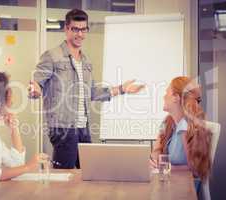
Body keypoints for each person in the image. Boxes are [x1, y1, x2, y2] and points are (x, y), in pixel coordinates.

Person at [29, 9, 144, 169]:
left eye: (83, 29)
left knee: (89, 173)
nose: (80, 34)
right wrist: (35, 89)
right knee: (65, 177)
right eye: (75, 29)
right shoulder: (52, 56)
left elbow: (91, 92)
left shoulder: (85, 60)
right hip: (63, 128)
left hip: (83, 127)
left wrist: (121, 89)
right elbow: (36, 82)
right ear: (66, 29)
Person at [150, 76, 212, 193]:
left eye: (167, 93)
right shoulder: (167, 122)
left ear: (176, 98)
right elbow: (157, 148)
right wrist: (155, 159)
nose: (164, 96)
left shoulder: (186, 126)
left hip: (185, 189)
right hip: (170, 184)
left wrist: (165, 168)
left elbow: (196, 170)